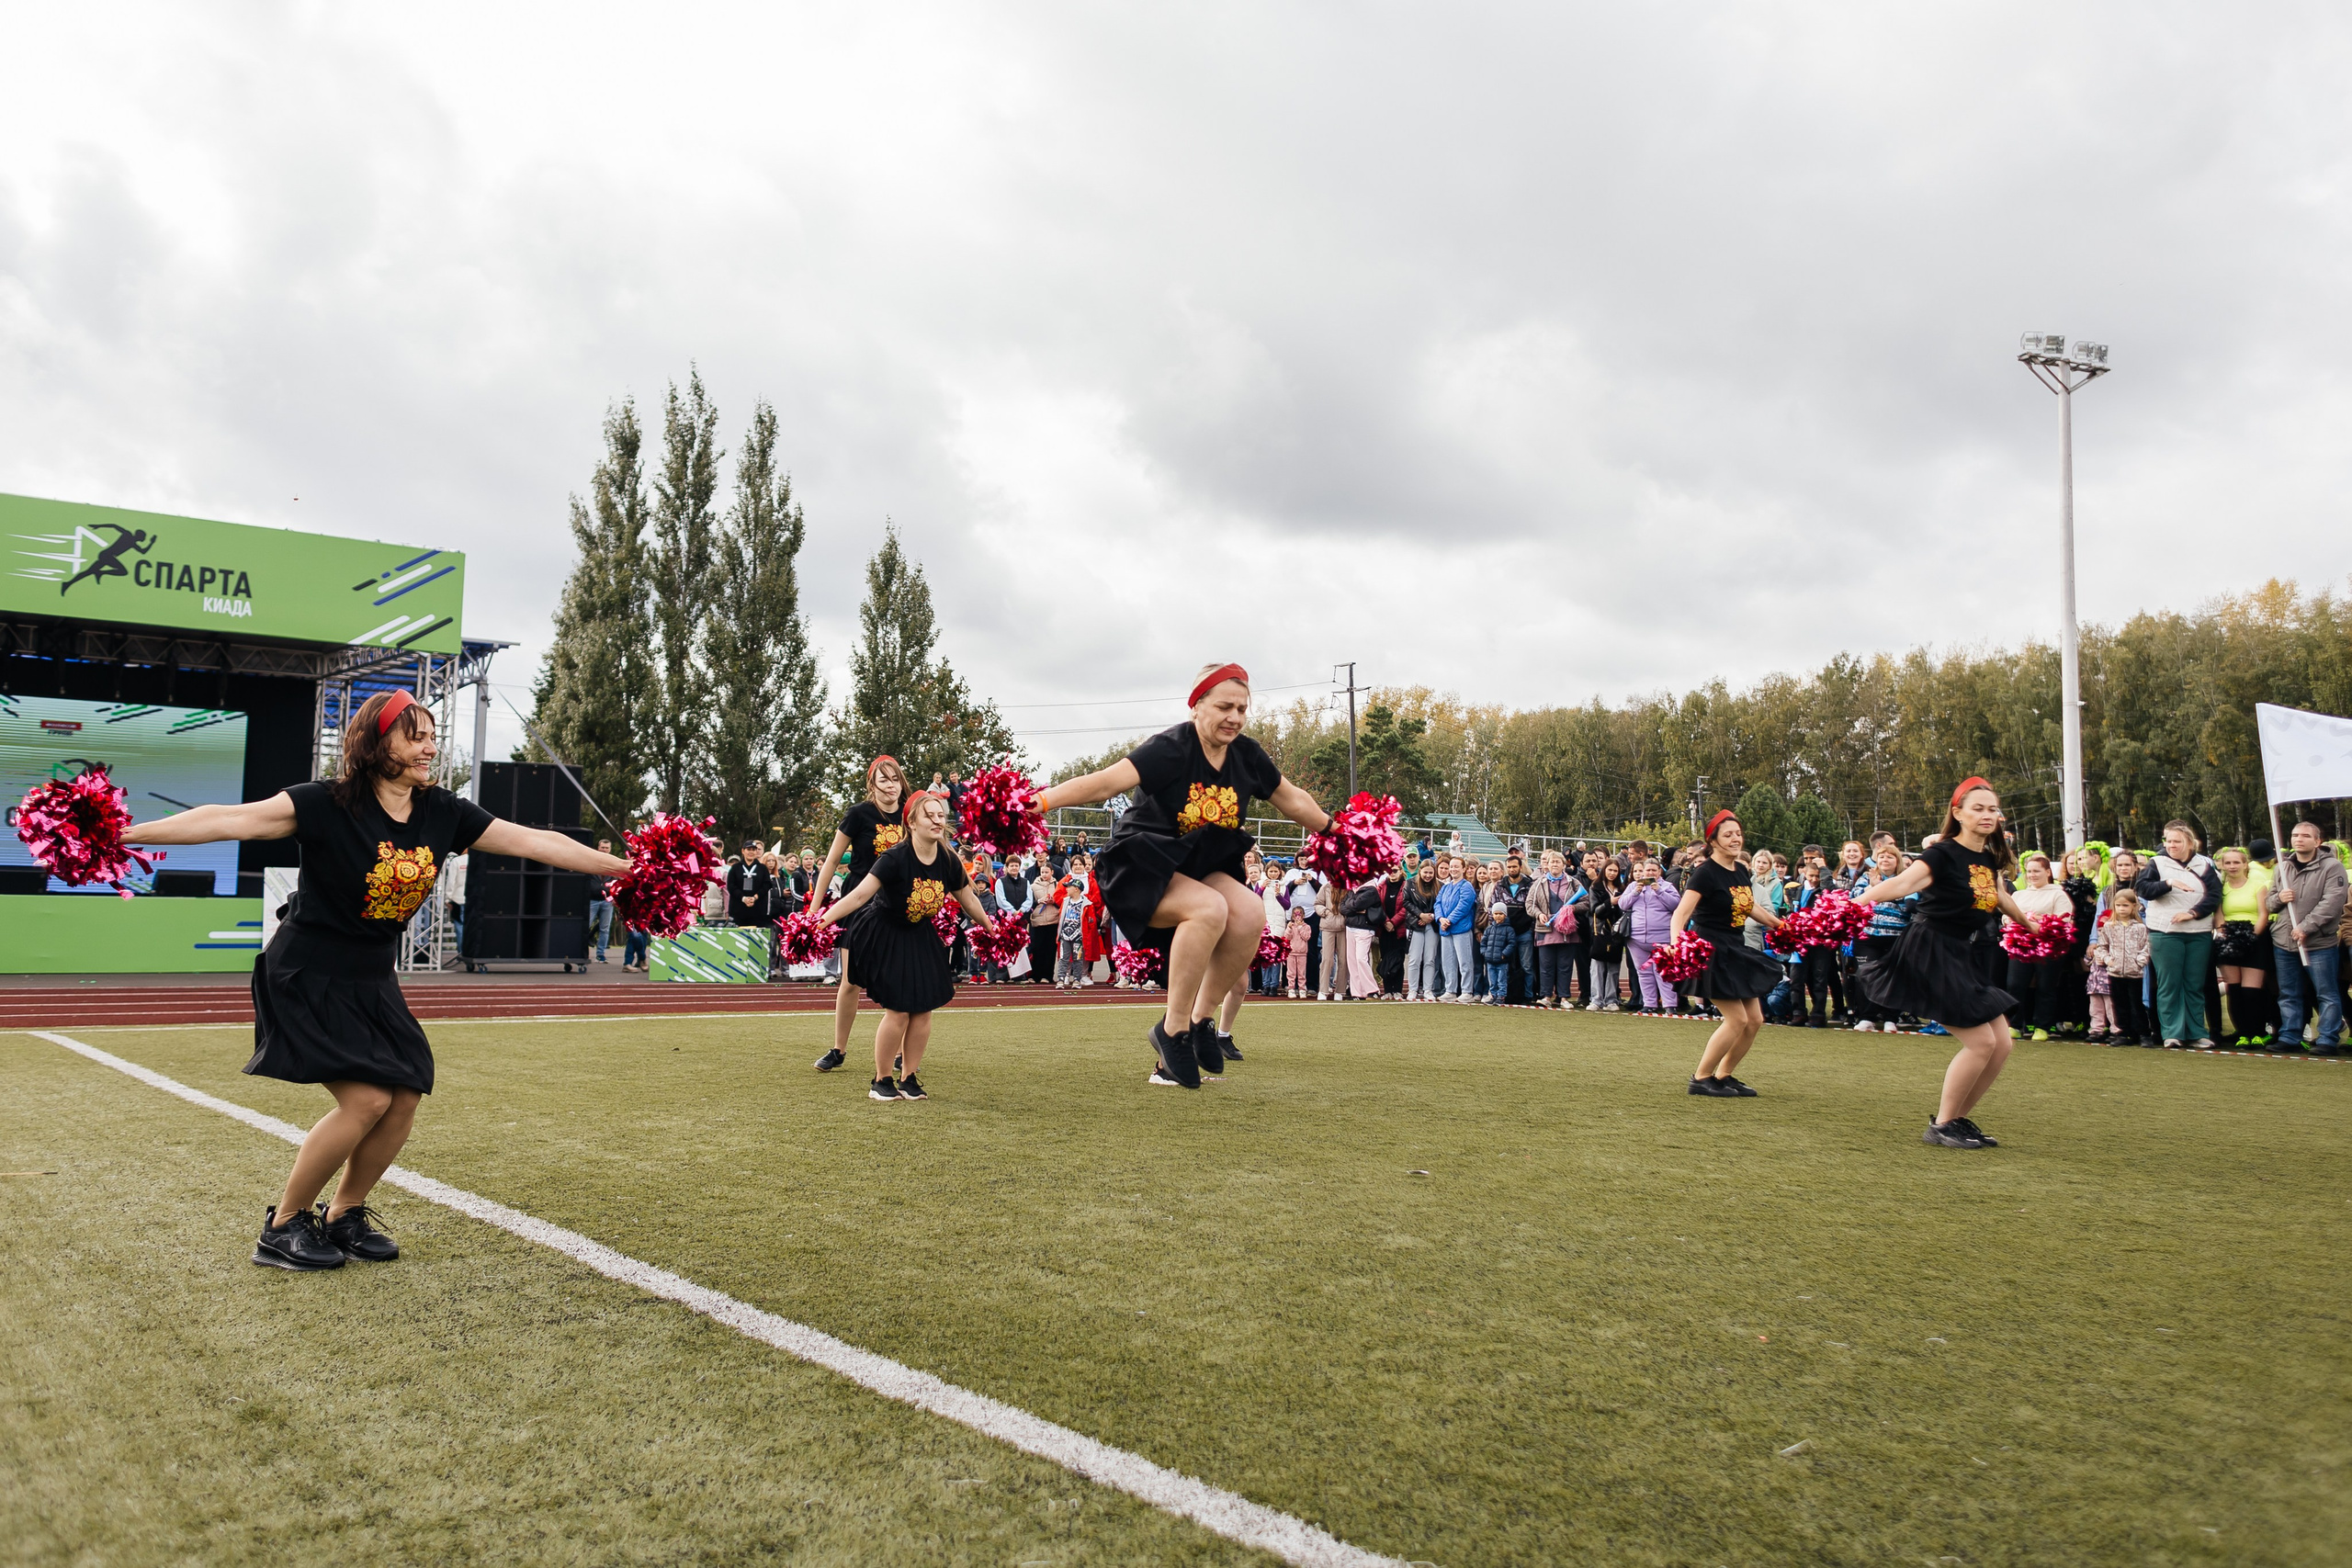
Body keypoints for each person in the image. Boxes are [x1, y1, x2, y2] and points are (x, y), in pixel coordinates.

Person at [121, 689, 631, 1270]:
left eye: (432, 737)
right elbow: (228, 819)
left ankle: (344, 1214)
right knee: (366, 1099)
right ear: (376, 741)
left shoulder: (445, 812)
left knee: (406, 1091)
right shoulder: (325, 803)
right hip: (307, 968)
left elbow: (537, 841)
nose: (429, 748)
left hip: (370, 973)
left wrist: (628, 868)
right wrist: (131, 836)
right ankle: (283, 1226)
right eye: (415, 736)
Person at [1035, 663, 1336, 1087]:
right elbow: (1105, 783)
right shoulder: (1173, 747)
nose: (1234, 716)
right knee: (1210, 909)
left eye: (1242, 709)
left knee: (1250, 913)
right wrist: (1041, 802)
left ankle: (1199, 1022)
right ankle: (1171, 1029)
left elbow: (1293, 799)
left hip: (1200, 866)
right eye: (1224, 706)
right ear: (1196, 706)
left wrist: (1337, 830)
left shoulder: (1247, 755)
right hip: (1142, 864)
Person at [1853, 779, 2043, 1149]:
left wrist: (2032, 926)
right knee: (1980, 1043)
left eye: (1992, 809)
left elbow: (1999, 897)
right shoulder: (1942, 854)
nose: (1988, 815)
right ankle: (1942, 1125)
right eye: (1978, 808)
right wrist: (1855, 904)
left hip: (1961, 952)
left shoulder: (1988, 858)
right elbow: (1901, 884)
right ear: (1957, 813)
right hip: (1930, 949)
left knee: (2002, 1043)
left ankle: (1954, 1120)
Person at [814, 790, 996, 1102]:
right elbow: (859, 896)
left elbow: (966, 896)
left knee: (923, 1008)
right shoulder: (894, 857)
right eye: (930, 815)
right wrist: (821, 919)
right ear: (911, 822)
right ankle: (881, 1081)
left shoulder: (948, 858)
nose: (938, 820)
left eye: (941, 815)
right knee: (898, 1010)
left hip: (919, 932)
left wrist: (992, 926)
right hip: (885, 931)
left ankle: (909, 1077)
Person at [1668, 810, 1790, 1097]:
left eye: (1738, 833)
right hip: (1712, 952)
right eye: (1728, 835)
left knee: (1755, 1019)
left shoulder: (1740, 870)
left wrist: (1779, 924)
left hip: (1735, 949)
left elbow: (1747, 905)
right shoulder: (1705, 873)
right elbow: (1679, 915)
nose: (1735, 839)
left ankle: (1723, 1074)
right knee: (1737, 1020)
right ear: (1714, 841)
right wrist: (1678, 946)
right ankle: (1700, 1078)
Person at [808, 756, 909, 1071]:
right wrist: (813, 910)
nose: (891, 786)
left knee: (902, 980)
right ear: (872, 784)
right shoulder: (858, 814)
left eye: (895, 779)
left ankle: (900, 1053)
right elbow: (830, 863)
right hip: (858, 901)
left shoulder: (911, 813)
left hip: (898, 902)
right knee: (850, 981)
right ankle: (838, 1049)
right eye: (884, 780)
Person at [2135, 821, 2223, 1049]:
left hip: (2199, 931)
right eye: (2168, 841)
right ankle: (2172, 1034)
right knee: (2169, 984)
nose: (2171, 845)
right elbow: (2143, 889)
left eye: (2177, 841)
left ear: (2189, 842)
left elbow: (2214, 895)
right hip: (2165, 932)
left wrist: (2193, 913)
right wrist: (2169, 883)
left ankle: (2196, 1033)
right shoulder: (2156, 863)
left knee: (2194, 984)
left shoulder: (2204, 864)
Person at [2264, 820, 2346, 1055]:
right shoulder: (2282, 867)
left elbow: (2332, 903)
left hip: (2318, 942)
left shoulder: (2332, 867)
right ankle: (2290, 1035)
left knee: (2326, 993)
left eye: (2305, 836)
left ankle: (2328, 1039)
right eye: (2294, 835)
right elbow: (2269, 903)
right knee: (2288, 992)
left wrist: (2306, 927)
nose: (2298, 839)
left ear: (2317, 841)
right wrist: (2280, 898)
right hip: (2284, 941)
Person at [2003, 852, 2074, 1042]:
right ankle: (2015, 1025)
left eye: (2037, 871)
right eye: (2029, 871)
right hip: (2020, 946)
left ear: (2048, 872)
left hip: (2049, 947)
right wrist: (2021, 923)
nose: (2032, 875)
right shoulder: (2019, 894)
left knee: (2046, 986)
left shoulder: (2058, 894)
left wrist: (2037, 923)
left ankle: (2042, 1026)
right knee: (2015, 984)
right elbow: (2006, 916)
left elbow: (2063, 919)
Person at [2212, 846, 2273, 1044]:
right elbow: (2218, 913)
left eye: (2236, 862)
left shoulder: (2258, 885)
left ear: (2245, 864)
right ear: (2221, 865)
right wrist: (2224, 933)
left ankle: (2257, 1032)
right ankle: (2242, 1033)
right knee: (2234, 988)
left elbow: (2263, 914)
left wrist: (2251, 937)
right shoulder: (2220, 887)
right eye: (2227, 862)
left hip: (2254, 937)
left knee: (2251, 989)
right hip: (2228, 937)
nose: (2232, 866)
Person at [2088, 889, 2151, 1044]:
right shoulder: (2109, 926)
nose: (2122, 909)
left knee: (2137, 1004)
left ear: (2134, 907)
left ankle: (2143, 1033)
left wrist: (2140, 961)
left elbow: (2146, 946)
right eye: (2118, 905)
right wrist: (2108, 960)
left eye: (2125, 905)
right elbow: (2102, 947)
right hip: (2115, 973)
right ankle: (2123, 1033)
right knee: (2119, 1004)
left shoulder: (2140, 927)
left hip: (2135, 973)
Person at [1620, 856, 1680, 1014]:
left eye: (1654, 870)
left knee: (1663, 972)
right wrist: (1635, 892)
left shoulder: (1668, 886)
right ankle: (1649, 1004)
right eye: (1648, 870)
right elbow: (1622, 904)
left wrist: (1659, 891)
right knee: (1643, 972)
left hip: (1662, 939)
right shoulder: (1634, 885)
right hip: (1637, 939)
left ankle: (1669, 1005)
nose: (1650, 873)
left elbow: (1676, 905)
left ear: (1659, 872)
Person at [1435, 854, 1477, 1001]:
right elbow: (1438, 903)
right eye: (1451, 867)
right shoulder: (1446, 887)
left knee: (1464, 961)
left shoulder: (1467, 886)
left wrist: (1450, 919)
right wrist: (1440, 918)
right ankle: (1450, 990)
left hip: (1461, 928)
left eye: (1456, 866)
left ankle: (1467, 991)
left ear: (1463, 869)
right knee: (1448, 962)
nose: (1452, 869)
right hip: (1445, 930)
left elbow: (1464, 905)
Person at [1402, 858, 1442, 999]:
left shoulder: (1440, 885)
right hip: (1415, 924)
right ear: (1420, 871)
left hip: (1432, 924)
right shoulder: (1410, 883)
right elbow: (1406, 901)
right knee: (1414, 958)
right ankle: (1412, 989)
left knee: (1430, 958)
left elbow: (1442, 904)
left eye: (1431, 873)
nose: (1428, 875)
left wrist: (1430, 916)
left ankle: (1428, 990)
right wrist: (1420, 915)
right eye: (1425, 872)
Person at [586, 840, 616, 962]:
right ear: (598, 848)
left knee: (604, 928)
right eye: (602, 847)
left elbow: (617, 882)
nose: (604, 850)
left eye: (607, 848)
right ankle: (583, 953)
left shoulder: (614, 863)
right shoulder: (591, 861)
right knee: (585, 926)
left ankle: (601, 954)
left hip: (607, 901)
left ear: (610, 850)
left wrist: (615, 897)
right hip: (592, 900)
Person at [1284, 905, 1313, 998]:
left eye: (1299, 915)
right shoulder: (1291, 926)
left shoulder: (1307, 927)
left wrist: (1300, 927)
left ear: (1303, 916)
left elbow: (1306, 937)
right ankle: (1291, 988)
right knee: (1291, 972)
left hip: (1302, 953)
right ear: (1292, 916)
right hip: (1291, 953)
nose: (1297, 917)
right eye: (1295, 915)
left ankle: (1302, 989)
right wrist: (1289, 928)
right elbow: (1287, 937)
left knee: (1301, 972)